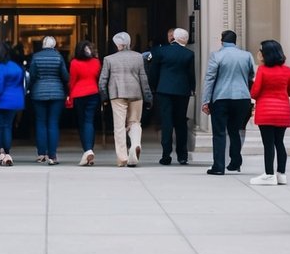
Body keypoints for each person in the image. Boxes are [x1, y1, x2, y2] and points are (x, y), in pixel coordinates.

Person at [201, 29, 254, 175]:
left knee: (219, 133)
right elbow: (251, 75)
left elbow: (210, 79)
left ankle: (218, 167)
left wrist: (205, 100)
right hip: (242, 98)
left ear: (222, 41)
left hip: (221, 98)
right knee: (235, 131)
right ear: (235, 41)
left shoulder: (216, 56)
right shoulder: (247, 56)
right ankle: (235, 160)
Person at [98, 31, 151, 167]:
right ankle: (135, 144)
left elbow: (103, 80)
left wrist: (103, 96)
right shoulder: (139, 57)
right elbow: (144, 78)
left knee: (119, 126)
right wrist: (148, 96)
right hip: (136, 93)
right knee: (135, 122)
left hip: (117, 93)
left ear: (117, 44)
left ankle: (122, 157)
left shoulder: (109, 59)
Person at [249, 39, 290, 185]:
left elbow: (254, 93)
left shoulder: (262, 70)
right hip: (283, 111)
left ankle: (269, 174)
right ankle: (281, 174)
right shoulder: (288, 70)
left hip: (266, 112)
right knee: (279, 143)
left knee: (268, 144)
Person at [150, 27, 195, 166]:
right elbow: (191, 74)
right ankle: (182, 155)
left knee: (167, 123)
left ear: (173, 38)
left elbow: (153, 72)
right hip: (182, 91)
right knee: (181, 123)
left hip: (164, 91)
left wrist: (154, 87)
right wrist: (192, 88)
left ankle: (166, 155)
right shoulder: (189, 54)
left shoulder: (160, 51)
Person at [28, 36, 69, 165]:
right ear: (54, 45)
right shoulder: (58, 57)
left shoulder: (36, 57)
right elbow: (65, 76)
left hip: (39, 93)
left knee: (40, 123)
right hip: (57, 93)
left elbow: (32, 75)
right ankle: (52, 156)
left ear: (43, 44)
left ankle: (41, 154)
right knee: (53, 123)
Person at [0, 42, 25, 166]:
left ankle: (2, 151)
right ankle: (8, 152)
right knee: (8, 126)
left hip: (1, 101)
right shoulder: (17, 67)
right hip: (15, 100)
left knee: (0, 126)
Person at [68, 41, 101, 166]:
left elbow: (72, 81)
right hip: (93, 92)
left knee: (82, 123)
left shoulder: (74, 63)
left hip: (79, 94)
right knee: (89, 121)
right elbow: (98, 76)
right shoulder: (96, 62)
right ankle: (89, 150)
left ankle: (87, 150)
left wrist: (69, 96)